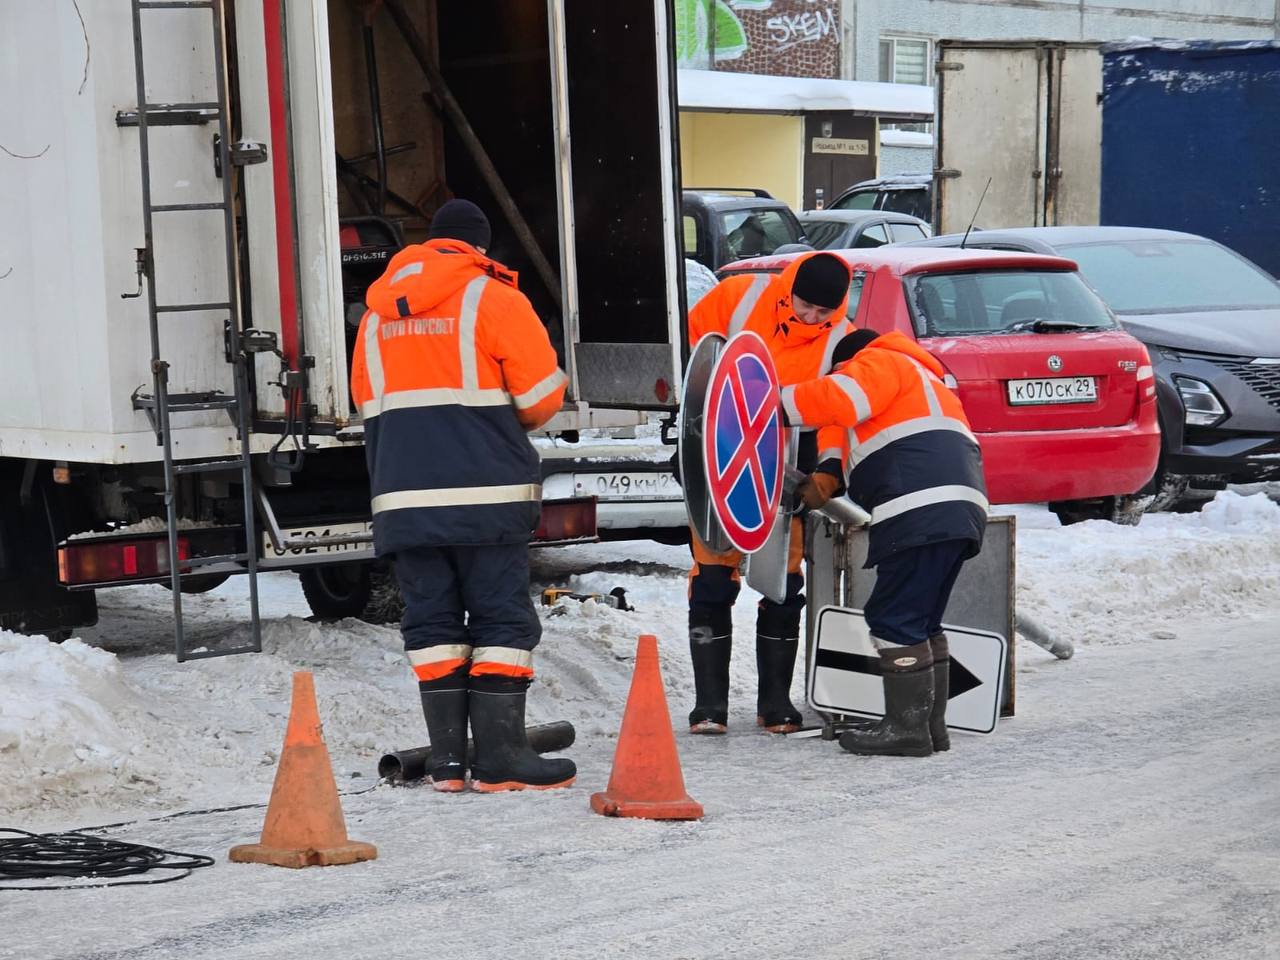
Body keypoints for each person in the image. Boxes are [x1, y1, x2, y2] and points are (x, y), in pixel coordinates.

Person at [350, 199, 574, 792]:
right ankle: (500, 759)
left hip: (404, 499)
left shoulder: (375, 316)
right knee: (500, 617)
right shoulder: (494, 298)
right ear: (479, 246)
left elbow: (366, 401)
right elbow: (542, 399)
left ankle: (448, 764)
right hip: (487, 494)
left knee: (433, 623)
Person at [782, 328, 989, 757]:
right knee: (921, 620)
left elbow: (839, 400)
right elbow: (843, 427)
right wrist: (827, 469)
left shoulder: (881, 360)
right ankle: (932, 729)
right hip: (959, 509)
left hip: (918, 505)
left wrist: (771, 403)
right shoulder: (923, 380)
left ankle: (906, 730)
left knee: (893, 617)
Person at [685, 252, 854, 735]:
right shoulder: (741, 297)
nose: (811, 318)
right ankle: (709, 705)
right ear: (790, 288)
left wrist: (829, 468)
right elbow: (697, 361)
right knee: (713, 581)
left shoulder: (841, 339)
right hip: (721, 464)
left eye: (824, 312)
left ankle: (775, 703)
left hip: (787, 473)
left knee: (783, 586)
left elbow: (835, 412)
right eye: (805, 305)